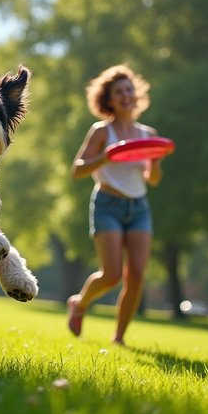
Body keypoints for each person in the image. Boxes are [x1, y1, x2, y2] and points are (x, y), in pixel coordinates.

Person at [66, 64, 164, 346]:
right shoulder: (101, 132)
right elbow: (78, 169)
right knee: (111, 275)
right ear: (108, 100)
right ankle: (81, 304)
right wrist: (106, 157)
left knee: (136, 275)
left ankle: (119, 338)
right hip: (108, 204)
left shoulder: (148, 133)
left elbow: (153, 179)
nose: (125, 95)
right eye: (118, 92)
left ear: (136, 96)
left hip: (139, 209)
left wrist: (155, 163)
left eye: (129, 90)